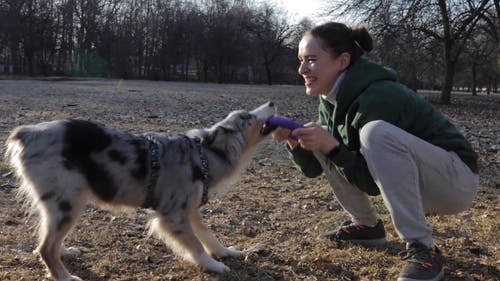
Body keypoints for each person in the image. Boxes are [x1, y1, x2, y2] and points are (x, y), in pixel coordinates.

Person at [273, 22, 479, 281]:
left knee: (374, 133)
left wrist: (331, 145)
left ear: (343, 61)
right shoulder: (331, 98)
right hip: (417, 181)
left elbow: (372, 183)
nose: (301, 69)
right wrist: (294, 141)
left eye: (311, 60)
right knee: (323, 132)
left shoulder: (379, 95)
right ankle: (367, 226)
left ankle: (423, 248)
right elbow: (314, 169)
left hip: (455, 181)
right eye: (300, 60)